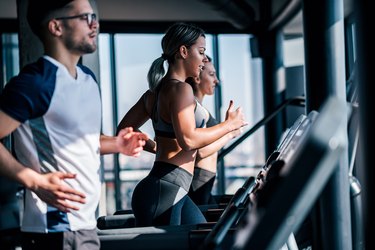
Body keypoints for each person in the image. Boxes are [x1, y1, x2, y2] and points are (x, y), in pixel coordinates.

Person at [0, 0, 148, 249]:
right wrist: (33, 181)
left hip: (86, 224)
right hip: (54, 229)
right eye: (85, 18)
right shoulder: (35, 83)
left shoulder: (88, 80)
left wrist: (116, 144)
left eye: (94, 17)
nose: (95, 24)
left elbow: (82, 139)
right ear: (56, 27)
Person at [117, 22, 247, 227]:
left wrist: (159, 147)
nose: (204, 59)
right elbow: (188, 140)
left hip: (169, 188)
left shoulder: (154, 94)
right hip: (166, 189)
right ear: (184, 51)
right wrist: (229, 125)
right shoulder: (181, 90)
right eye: (201, 51)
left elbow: (124, 130)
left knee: (202, 238)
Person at [186, 56, 241, 205]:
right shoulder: (194, 109)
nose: (216, 80)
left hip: (203, 182)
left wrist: (227, 128)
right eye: (211, 75)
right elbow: (201, 151)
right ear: (197, 78)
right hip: (197, 182)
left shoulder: (199, 108)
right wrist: (230, 132)